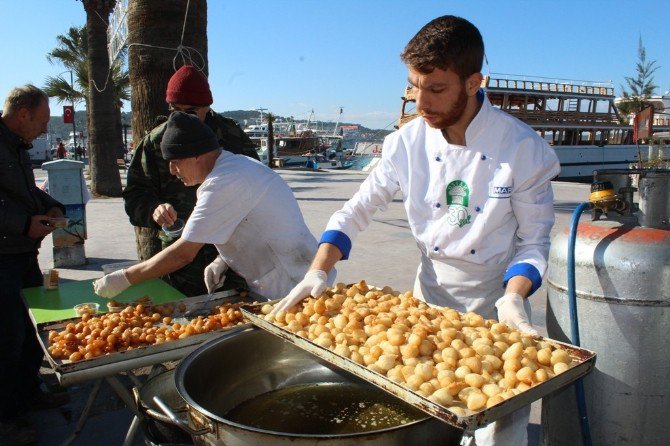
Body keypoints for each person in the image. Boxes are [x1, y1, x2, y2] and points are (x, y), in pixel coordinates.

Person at [274, 15, 560, 446]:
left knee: (500, 427)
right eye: (413, 86)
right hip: (428, 302)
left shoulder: (523, 149)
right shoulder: (405, 144)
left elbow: (534, 242)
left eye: (436, 89)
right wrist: (319, 269)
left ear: (473, 81)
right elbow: (355, 212)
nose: (421, 102)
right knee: (424, 419)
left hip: (494, 301)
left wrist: (514, 299)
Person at [95, 111, 332, 302]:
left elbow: (183, 255)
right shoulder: (237, 166)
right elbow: (249, 221)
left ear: (196, 155)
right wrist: (223, 260)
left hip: (294, 285)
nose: (172, 171)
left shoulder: (224, 182)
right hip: (291, 278)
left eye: (175, 162)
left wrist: (125, 278)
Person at [123, 65, 260, 297]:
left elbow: (256, 186)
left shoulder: (232, 136)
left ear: (207, 107)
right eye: (175, 110)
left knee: (235, 319)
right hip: (179, 262)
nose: (182, 117)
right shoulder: (155, 141)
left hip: (230, 256)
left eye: (191, 111)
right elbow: (135, 195)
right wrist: (153, 209)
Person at [0, 85, 70, 445]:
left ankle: (30, 393)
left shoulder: (16, 146)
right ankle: (7, 417)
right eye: (42, 121)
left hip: (22, 255)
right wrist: (21, 223)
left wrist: (52, 205)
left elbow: (27, 192)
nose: (45, 129)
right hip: (4, 259)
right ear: (23, 113)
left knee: (29, 333)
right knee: (6, 339)